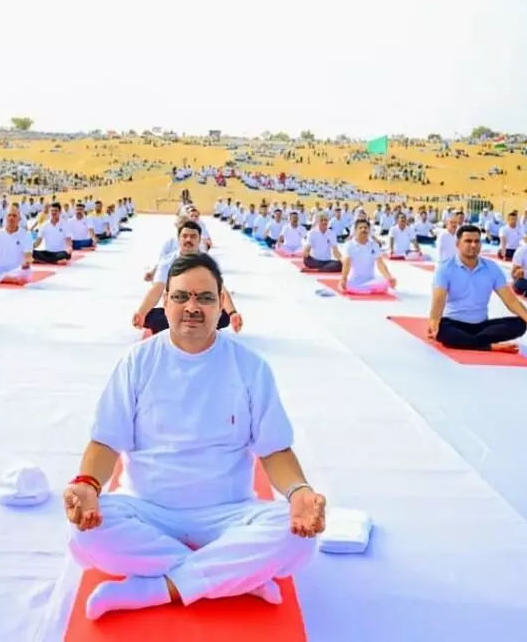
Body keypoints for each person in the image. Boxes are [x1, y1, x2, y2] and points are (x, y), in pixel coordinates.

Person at [66, 252, 323, 621]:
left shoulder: (250, 366)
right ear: (165, 301)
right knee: (86, 531)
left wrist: (299, 492)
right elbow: (105, 441)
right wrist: (88, 484)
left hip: (229, 512)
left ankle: (155, 589)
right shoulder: (137, 362)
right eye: (181, 296)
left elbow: (274, 450)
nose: (192, 307)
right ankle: (233, 576)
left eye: (204, 298)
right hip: (148, 510)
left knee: (297, 536)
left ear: (221, 304)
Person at [429, 225, 527, 353]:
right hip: (453, 323)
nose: (473, 245)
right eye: (468, 241)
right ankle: (488, 346)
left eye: (477, 241)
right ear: (457, 244)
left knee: (520, 324)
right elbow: (438, 301)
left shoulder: (491, 268)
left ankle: (470, 342)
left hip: (482, 326)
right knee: (443, 331)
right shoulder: (445, 269)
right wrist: (433, 322)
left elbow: (511, 301)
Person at [133, 222, 242, 335]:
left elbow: (220, 290)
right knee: (149, 316)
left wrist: (232, 313)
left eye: (193, 236)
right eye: (184, 236)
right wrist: (141, 313)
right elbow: (157, 289)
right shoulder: (167, 261)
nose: (188, 240)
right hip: (176, 310)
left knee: (224, 316)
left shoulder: (209, 262)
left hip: (201, 309)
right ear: (178, 239)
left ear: (199, 240)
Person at [339, 219, 397, 294]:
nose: (363, 230)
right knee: (348, 285)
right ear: (355, 230)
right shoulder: (349, 245)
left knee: (386, 281)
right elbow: (347, 263)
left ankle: (365, 290)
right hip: (354, 282)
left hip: (370, 280)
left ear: (369, 230)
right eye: (360, 228)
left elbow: (380, 263)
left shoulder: (374, 245)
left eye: (365, 228)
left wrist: (389, 277)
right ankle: (365, 290)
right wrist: (344, 278)